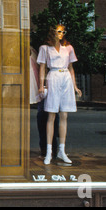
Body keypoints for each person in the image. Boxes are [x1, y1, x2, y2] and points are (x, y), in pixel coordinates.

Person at [37, 24, 82, 165]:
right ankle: (49, 152)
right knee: (51, 115)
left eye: (63, 31)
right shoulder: (45, 48)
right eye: (59, 31)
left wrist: (75, 86)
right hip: (53, 77)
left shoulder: (68, 48)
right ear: (53, 32)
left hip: (66, 78)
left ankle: (62, 151)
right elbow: (42, 67)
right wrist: (41, 85)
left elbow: (71, 68)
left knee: (64, 115)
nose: (61, 33)